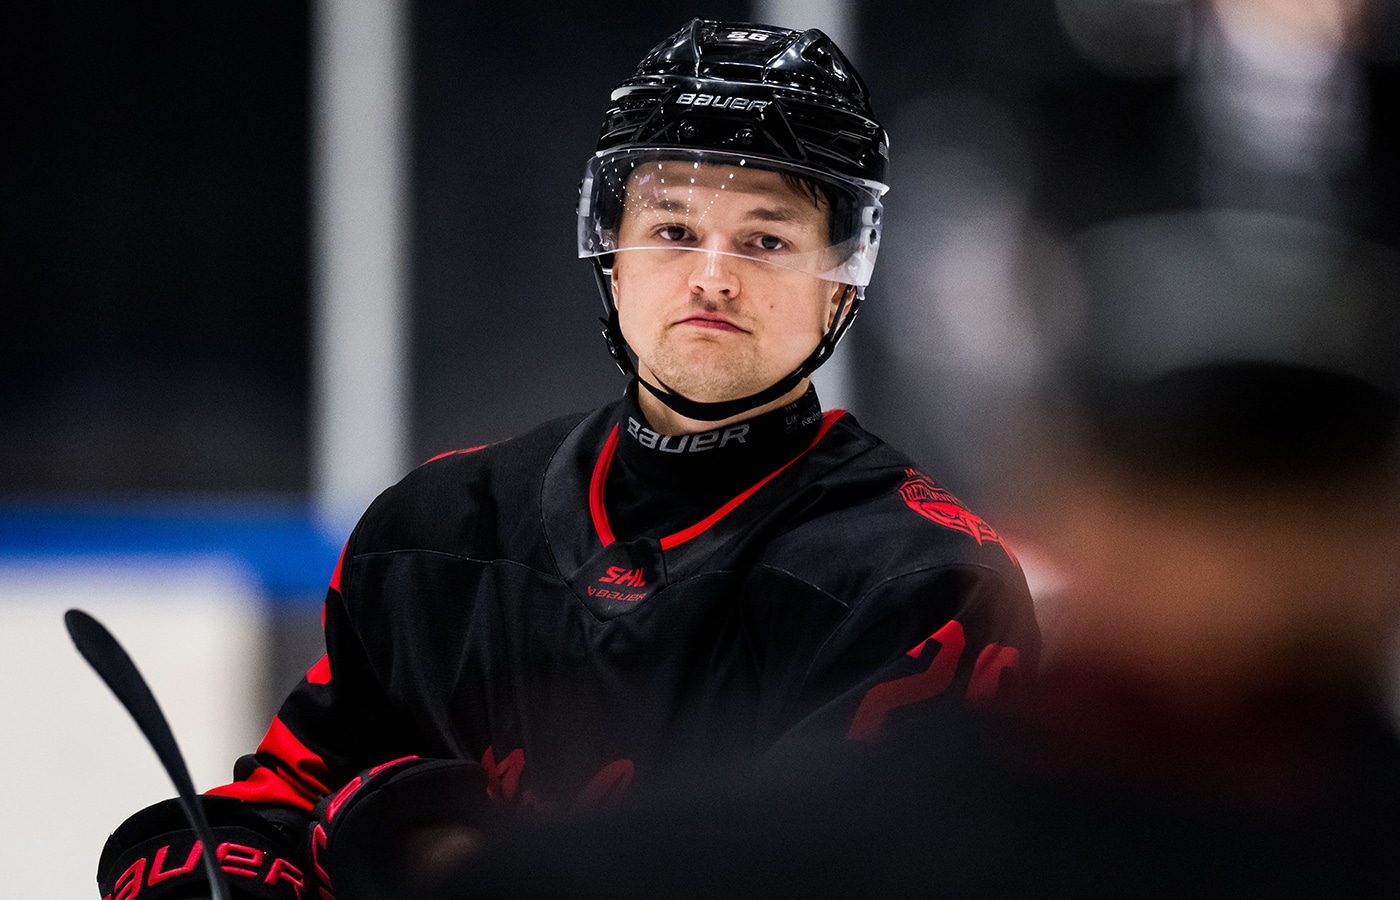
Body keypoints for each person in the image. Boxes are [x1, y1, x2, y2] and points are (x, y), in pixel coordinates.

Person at [94, 18, 1038, 899]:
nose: (713, 272)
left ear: (840, 284)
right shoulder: (433, 531)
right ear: (612, 255)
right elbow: (276, 815)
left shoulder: (924, 584)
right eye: (673, 230)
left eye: (766, 239)